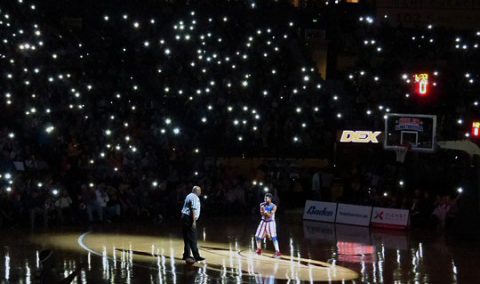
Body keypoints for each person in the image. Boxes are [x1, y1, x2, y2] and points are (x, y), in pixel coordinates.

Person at [180, 186, 205, 262]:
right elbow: (193, 209)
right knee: (193, 237)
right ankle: (196, 256)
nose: (200, 192)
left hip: (184, 217)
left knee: (187, 237)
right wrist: (193, 221)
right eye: (199, 190)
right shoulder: (194, 197)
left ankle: (186, 255)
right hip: (189, 218)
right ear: (196, 191)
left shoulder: (189, 195)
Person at [255, 193, 281, 258]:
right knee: (257, 236)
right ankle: (259, 249)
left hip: (271, 222)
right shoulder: (261, 204)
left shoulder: (274, 206)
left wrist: (265, 211)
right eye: (264, 198)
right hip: (263, 222)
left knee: (273, 237)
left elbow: (269, 216)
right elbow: (262, 215)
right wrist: (263, 211)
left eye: (266, 198)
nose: (265, 199)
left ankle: (277, 251)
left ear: (270, 199)